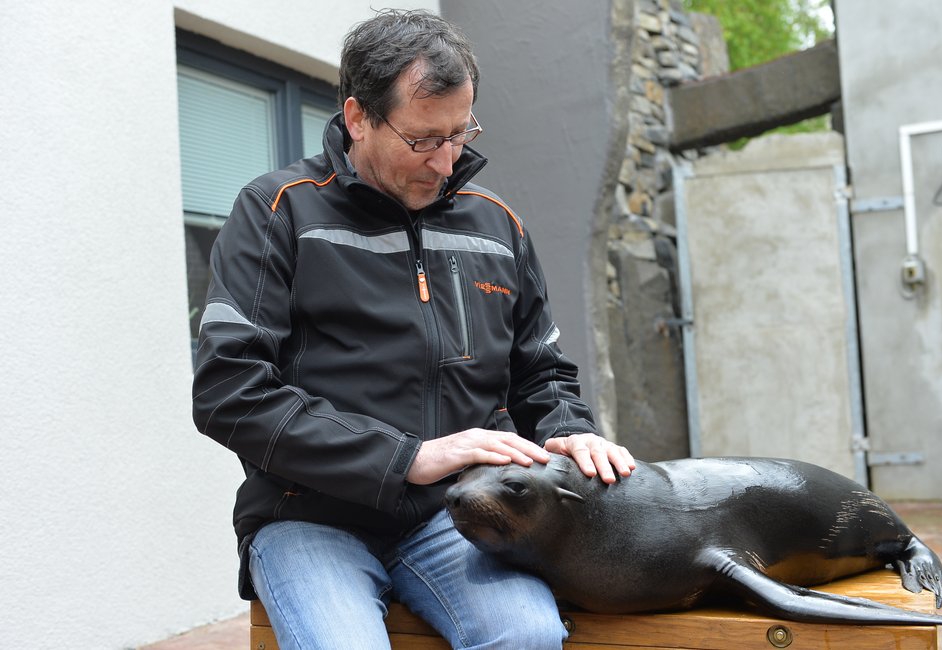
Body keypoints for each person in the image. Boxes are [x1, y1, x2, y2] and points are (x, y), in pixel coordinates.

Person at [192, 8, 635, 649]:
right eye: (425, 139)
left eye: (461, 133)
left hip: (462, 515)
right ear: (357, 118)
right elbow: (229, 391)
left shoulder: (497, 225)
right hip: (310, 516)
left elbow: (541, 374)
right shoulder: (277, 210)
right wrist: (408, 459)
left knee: (530, 638)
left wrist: (571, 432)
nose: (446, 161)